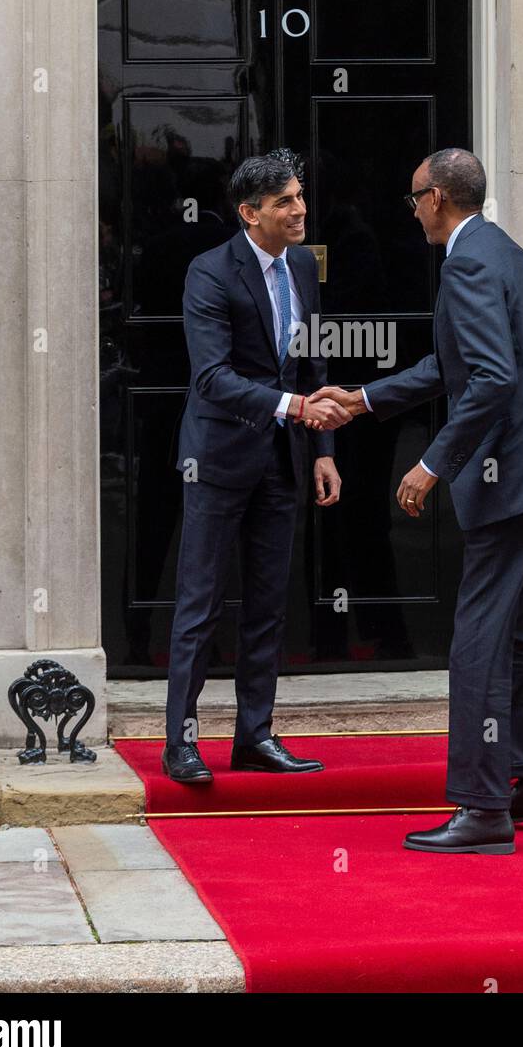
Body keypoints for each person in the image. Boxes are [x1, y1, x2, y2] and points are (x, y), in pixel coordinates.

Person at [311, 148, 523, 853]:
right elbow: (455, 364)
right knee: (514, 633)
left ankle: (480, 808)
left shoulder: (467, 262)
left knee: (476, 638)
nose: (410, 211)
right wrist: (365, 400)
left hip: (520, 468)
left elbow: (493, 377)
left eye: (413, 198)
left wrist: (431, 463)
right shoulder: (497, 249)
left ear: (437, 196)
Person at [163, 150, 349, 784]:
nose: (299, 210)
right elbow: (212, 378)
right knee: (201, 600)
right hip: (216, 459)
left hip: (282, 460)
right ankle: (181, 744)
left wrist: (323, 450)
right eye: (285, 203)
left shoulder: (303, 262)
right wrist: (292, 407)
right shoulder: (209, 272)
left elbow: (314, 359)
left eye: (299, 196)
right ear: (250, 213)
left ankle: (254, 737)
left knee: (269, 603)